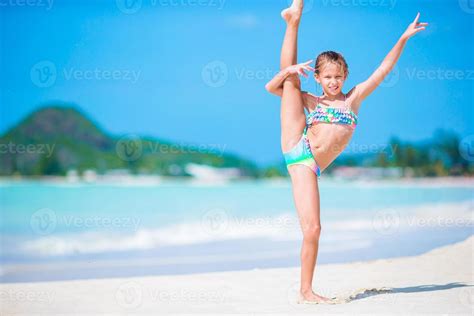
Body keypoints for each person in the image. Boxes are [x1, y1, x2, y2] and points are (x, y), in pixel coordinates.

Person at [264, 0, 427, 304]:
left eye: (338, 76)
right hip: (299, 150)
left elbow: (383, 69)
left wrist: (403, 38)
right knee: (290, 82)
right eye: (327, 77)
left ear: (346, 75)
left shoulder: (352, 100)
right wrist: (288, 70)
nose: (333, 82)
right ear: (319, 78)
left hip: (311, 165)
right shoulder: (313, 100)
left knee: (314, 229)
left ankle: (292, 20)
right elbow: (271, 88)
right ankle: (294, 18)